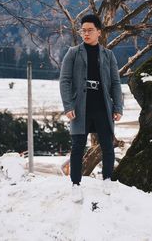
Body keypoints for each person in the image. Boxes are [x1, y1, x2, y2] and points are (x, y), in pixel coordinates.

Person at [59, 14, 123, 202]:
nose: (85, 34)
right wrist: (68, 105)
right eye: (83, 30)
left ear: (99, 32)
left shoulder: (108, 55)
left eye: (90, 30)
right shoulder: (73, 53)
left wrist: (118, 106)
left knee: (107, 145)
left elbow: (116, 83)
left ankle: (107, 179)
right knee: (78, 147)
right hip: (80, 108)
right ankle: (76, 185)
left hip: (103, 106)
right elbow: (64, 81)